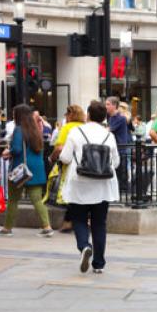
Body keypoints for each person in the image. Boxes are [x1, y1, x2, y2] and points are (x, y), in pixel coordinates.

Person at [59, 100, 120, 274]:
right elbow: (115, 162)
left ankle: (84, 246)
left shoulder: (75, 132)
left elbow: (64, 157)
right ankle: (99, 263)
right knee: (99, 223)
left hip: (80, 182)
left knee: (79, 219)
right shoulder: (109, 136)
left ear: (88, 115)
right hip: (103, 186)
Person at [0, 104, 53, 237]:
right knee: (37, 200)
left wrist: (8, 152)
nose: (12, 116)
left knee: (13, 200)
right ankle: (47, 227)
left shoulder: (19, 129)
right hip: (36, 169)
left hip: (20, 169)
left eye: (14, 114)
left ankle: (7, 228)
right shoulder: (36, 129)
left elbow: (17, 149)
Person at [48, 104, 85, 232]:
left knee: (70, 194)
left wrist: (52, 158)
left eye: (66, 114)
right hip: (86, 165)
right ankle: (78, 221)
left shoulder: (67, 128)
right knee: (82, 195)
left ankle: (68, 221)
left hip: (70, 166)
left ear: (70, 115)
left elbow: (59, 148)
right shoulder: (84, 127)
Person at [106, 96, 131, 195]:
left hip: (120, 150)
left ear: (114, 105)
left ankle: (122, 195)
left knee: (121, 175)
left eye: (108, 104)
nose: (106, 106)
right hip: (114, 150)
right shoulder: (111, 118)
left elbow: (108, 130)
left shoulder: (120, 118)